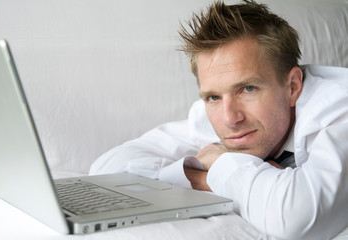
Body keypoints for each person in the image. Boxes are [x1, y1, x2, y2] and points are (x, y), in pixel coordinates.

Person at [90, 1, 348, 239]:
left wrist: (218, 164)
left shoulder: (338, 108)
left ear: (292, 86)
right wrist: (220, 178)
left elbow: (294, 219)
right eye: (213, 96)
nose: (229, 119)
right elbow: (105, 169)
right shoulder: (215, 111)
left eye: (248, 89)